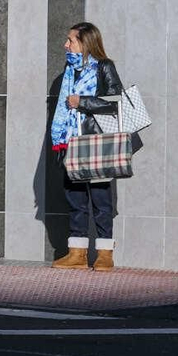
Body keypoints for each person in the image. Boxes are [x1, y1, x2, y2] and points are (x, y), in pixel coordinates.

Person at [48, 22, 124, 271]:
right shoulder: (69, 70)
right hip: (70, 142)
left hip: (95, 142)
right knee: (75, 198)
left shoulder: (104, 66)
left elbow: (115, 101)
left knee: (101, 200)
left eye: (71, 40)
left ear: (85, 42)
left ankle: (104, 254)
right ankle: (77, 253)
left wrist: (82, 102)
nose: (66, 44)